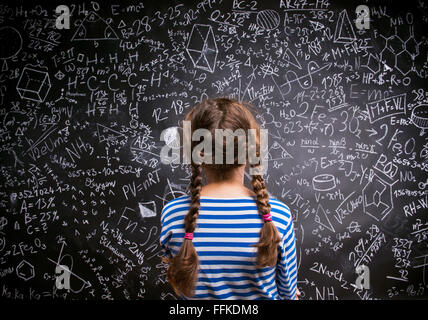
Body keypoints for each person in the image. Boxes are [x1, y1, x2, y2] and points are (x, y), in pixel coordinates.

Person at [159, 98, 299, 300]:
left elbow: (181, 282)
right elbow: (288, 294)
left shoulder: (173, 214)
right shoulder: (277, 216)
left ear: (195, 152)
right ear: (251, 149)